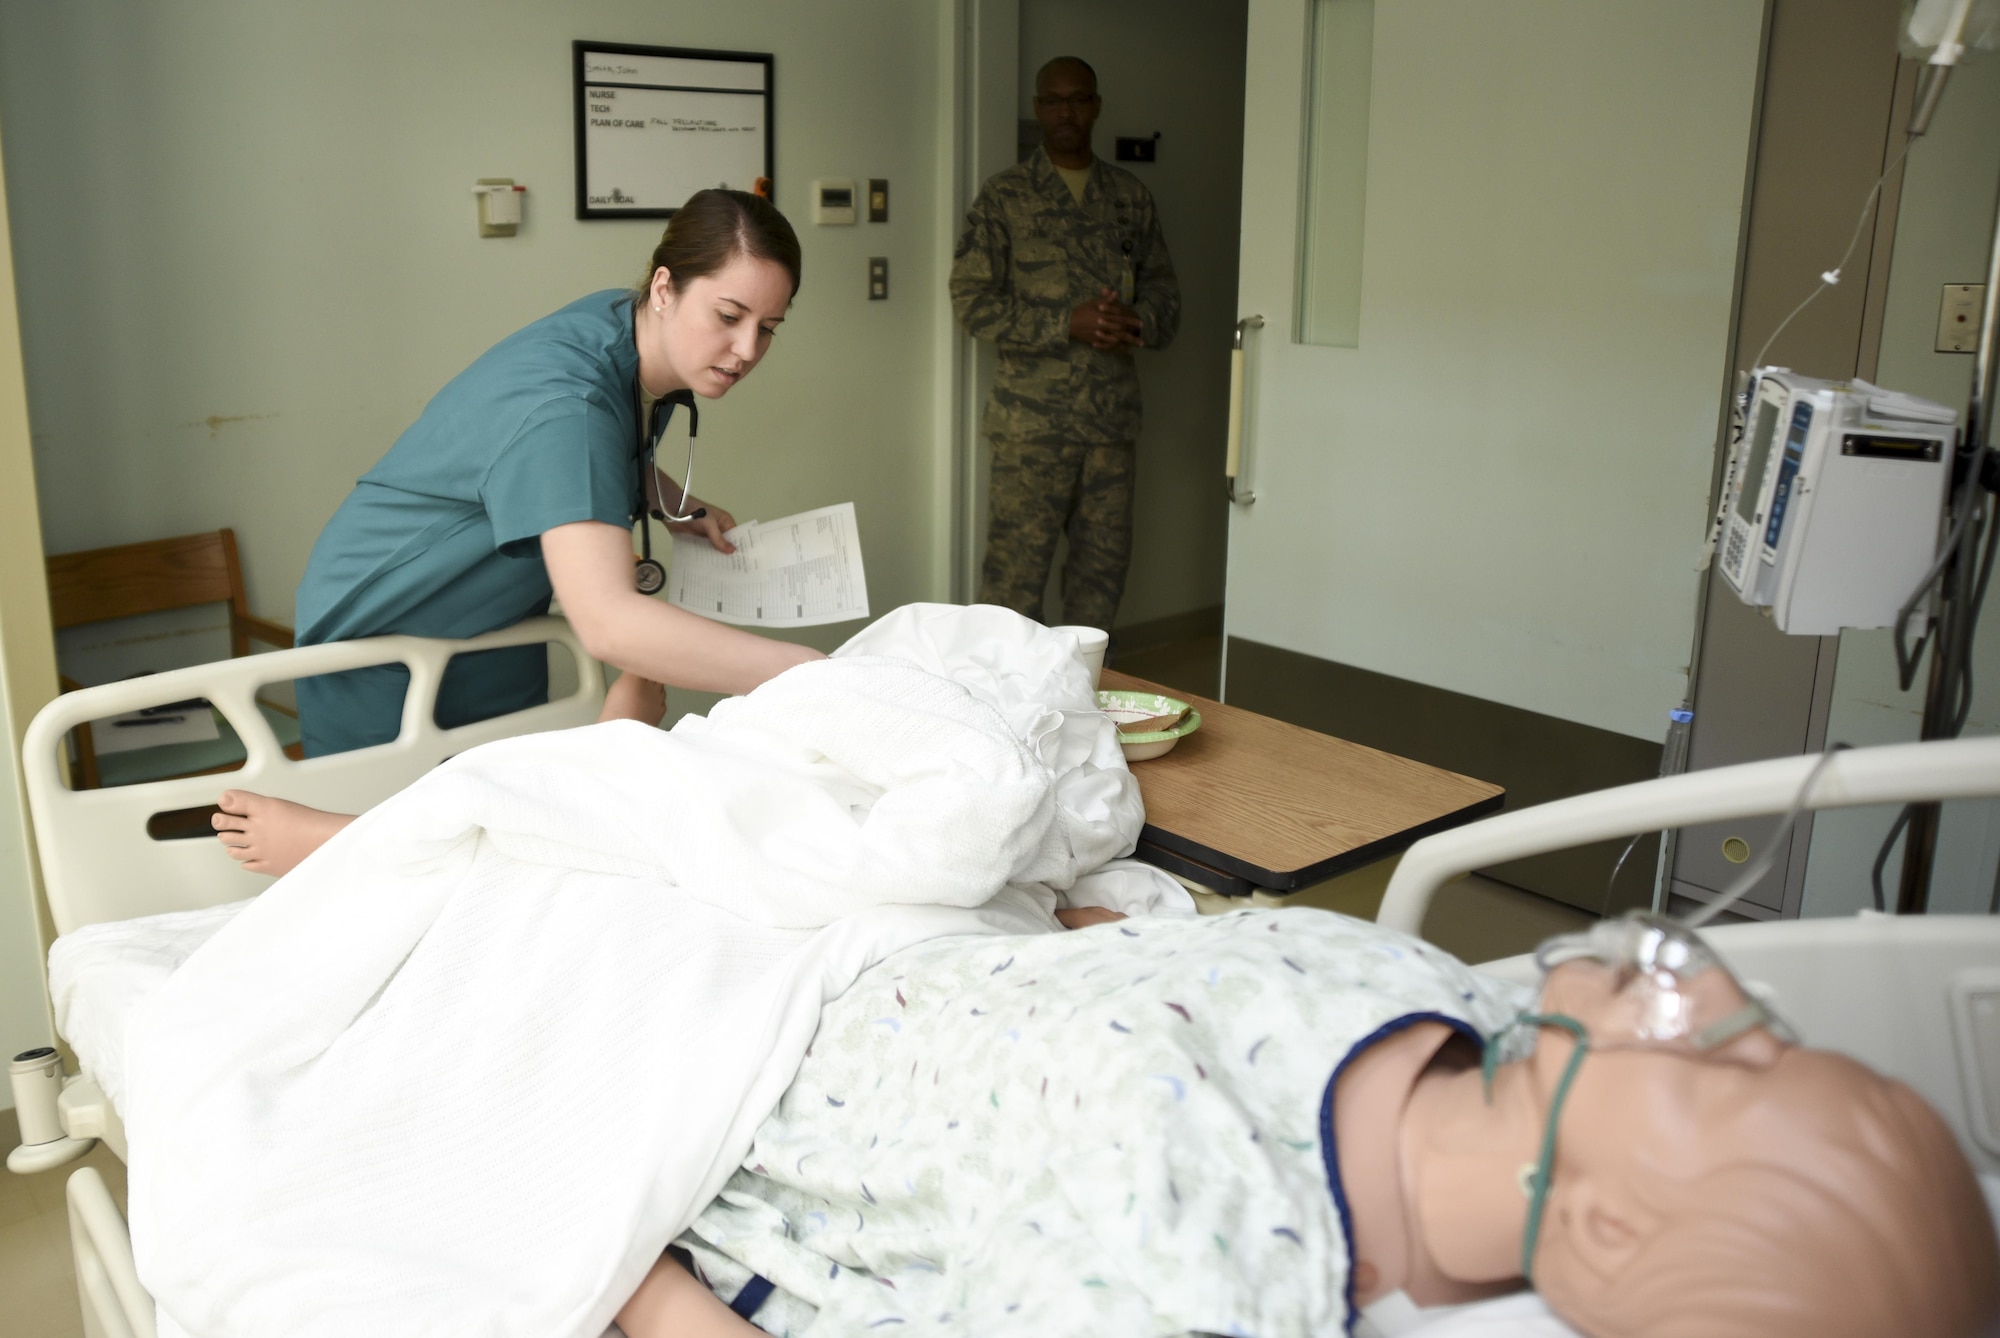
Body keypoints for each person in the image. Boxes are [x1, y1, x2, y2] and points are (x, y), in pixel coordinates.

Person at [615, 909, 1999, 1338]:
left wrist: (622, 1269)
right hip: (850, 936)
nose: (1718, 999)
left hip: (714, 1069)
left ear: (1607, 1222)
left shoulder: (1181, 1274)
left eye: (1724, 1075)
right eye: (1779, 1038)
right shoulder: (1456, 994)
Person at [215, 189, 822, 872]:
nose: (745, 350)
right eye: (728, 316)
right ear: (664, 288)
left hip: (490, 619)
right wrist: (806, 674)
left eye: (768, 327)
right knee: (396, 872)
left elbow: (586, 448)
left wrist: (668, 498)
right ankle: (328, 839)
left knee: (510, 832)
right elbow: (608, 623)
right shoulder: (568, 399)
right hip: (384, 625)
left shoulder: (615, 324)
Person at [950, 56, 1180, 632]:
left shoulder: (1129, 197)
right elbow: (970, 301)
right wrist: (1065, 322)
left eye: (1078, 99)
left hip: (1110, 427)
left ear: (1096, 105)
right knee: (1011, 587)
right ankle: (1001, 713)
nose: (1066, 112)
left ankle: (1086, 708)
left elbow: (1166, 299)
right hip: (1032, 432)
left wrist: (1136, 320)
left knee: (1100, 583)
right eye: (1054, 101)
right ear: (1037, 109)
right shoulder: (1005, 197)